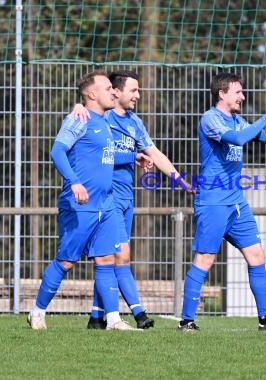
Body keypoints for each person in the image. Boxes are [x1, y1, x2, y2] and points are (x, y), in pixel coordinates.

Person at [178, 72, 266, 332]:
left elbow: (265, 138)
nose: (242, 97)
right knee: (205, 260)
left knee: (257, 255)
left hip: (236, 203)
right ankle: (186, 321)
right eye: (237, 92)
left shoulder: (237, 119)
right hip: (213, 202)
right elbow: (238, 139)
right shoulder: (210, 118)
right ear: (222, 93)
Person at [70, 70, 193, 330]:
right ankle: (139, 314)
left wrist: (180, 180)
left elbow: (155, 153)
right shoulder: (103, 118)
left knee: (110, 258)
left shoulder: (135, 122)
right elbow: (91, 146)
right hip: (108, 197)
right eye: (133, 90)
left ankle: (96, 316)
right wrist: (78, 106)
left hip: (127, 198)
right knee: (120, 256)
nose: (138, 95)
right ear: (115, 92)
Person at [28, 70, 147, 331]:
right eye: (107, 88)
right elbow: (57, 151)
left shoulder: (104, 122)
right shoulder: (78, 118)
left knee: (106, 259)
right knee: (67, 261)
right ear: (92, 94)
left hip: (106, 203)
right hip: (80, 203)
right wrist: (75, 182)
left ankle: (114, 320)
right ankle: (37, 311)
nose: (113, 91)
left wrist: (132, 158)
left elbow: (103, 156)